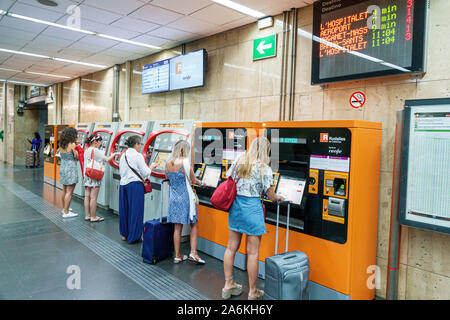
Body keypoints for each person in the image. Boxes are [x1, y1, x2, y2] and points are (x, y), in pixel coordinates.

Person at [222, 137, 284, 300]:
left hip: (236, 207)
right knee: (253, 253)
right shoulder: (265, 168)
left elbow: (228, 179)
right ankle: (253, 291)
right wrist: (279, 197)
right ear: (266, 151)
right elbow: (270, 196)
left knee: (231, 247)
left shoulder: (239, 161)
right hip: (252, 209)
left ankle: (228, 285)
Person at [165, 140, 206, 264]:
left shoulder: (167, 163)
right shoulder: (185, 163)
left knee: (177, 227)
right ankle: (193, 253)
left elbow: (168, 181)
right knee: (194, 224)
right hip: (186, 199)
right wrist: (202, 182)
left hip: (173, 198)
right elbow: (194, 180)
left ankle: (177, 256)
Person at [119, 135, 157, 243]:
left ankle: (125, 234)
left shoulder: (123, 155)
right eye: (140, 144)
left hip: (123, 185)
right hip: (135, 186)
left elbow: (122, 172)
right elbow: (146, 173)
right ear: (135, 144)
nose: (141, 146)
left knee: (124, 210)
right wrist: (152, 167)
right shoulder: (138, 156)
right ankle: (134, 237)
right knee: (136, 211)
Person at [84, 134, 120, 222]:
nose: (101, 144)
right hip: (94, 176)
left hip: (87, 175)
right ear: (95, 142)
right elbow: (107, 159)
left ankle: (88, 215)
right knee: (93, 198)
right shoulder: (95, 150)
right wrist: (115, 153)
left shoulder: (87, 149)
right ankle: (93, 217)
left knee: (87, 196)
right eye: (100, 142)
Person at [59, 127, 79, 218]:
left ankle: (64, 208)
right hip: (71, 168)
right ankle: (66, 213)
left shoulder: (62, 144)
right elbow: (77, 156)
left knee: (64, 189)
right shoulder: (72, 144)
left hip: (63, 167)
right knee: (70, 191)